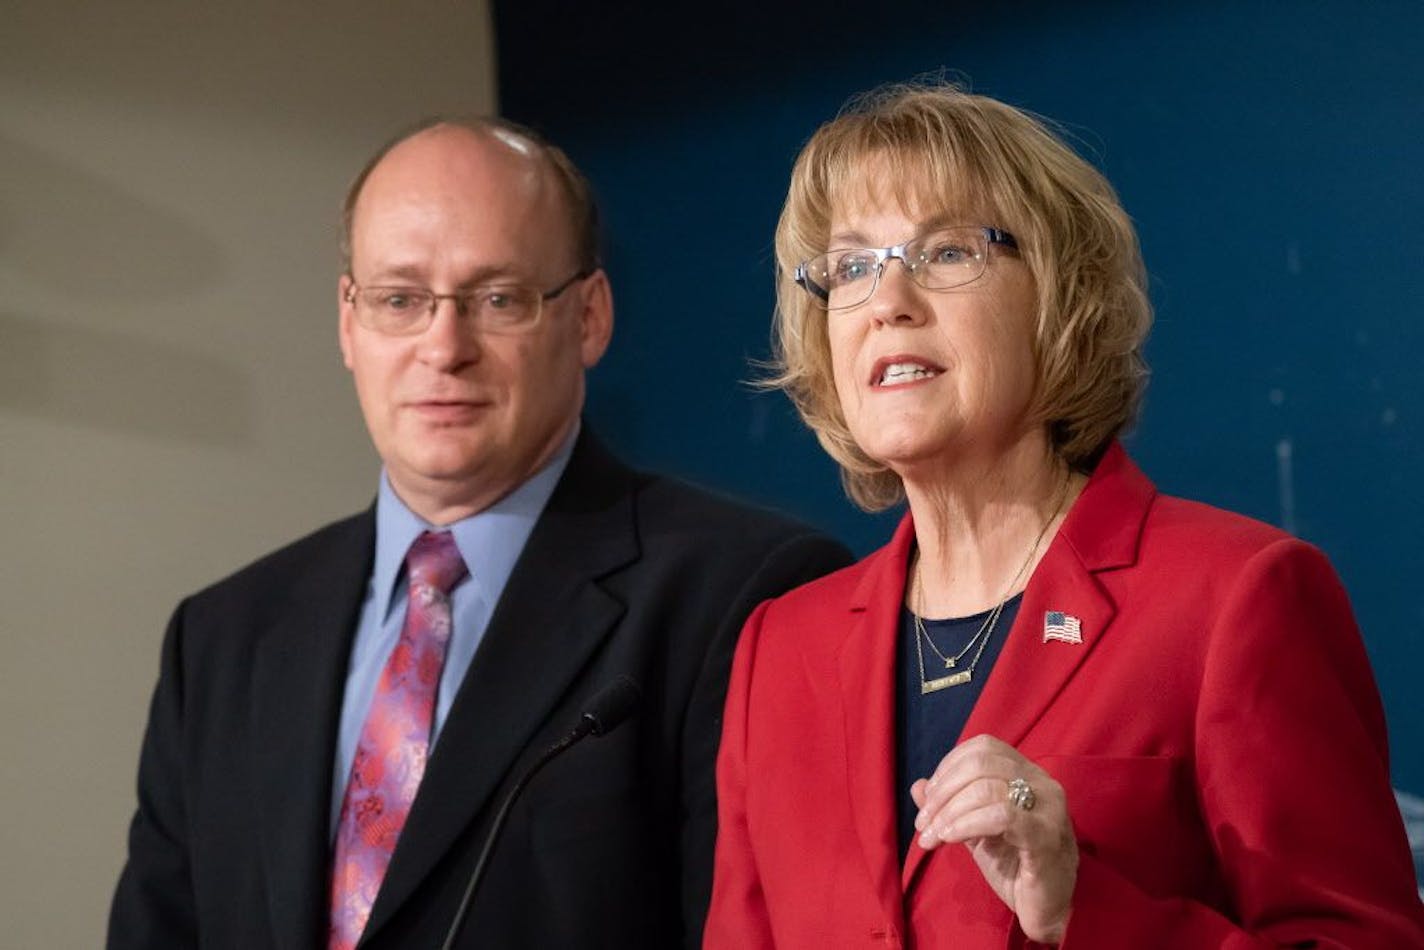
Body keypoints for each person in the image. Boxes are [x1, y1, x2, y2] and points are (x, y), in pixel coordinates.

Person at [704, 82, 1424, 948]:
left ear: (1056, 296)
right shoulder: (780, 652)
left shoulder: (1233, 598)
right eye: (852, 265)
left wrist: (1081, 912)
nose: (888, 299)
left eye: (943, 251)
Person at [107, 117, 851, 949]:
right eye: (400, 300)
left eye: (498, 298)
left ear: (590, 318)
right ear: (349, 322)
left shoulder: (743, 597)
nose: (444, 346)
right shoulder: (221, 640)